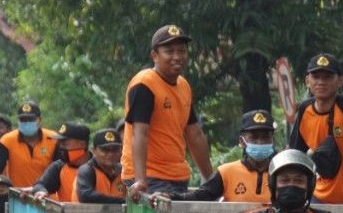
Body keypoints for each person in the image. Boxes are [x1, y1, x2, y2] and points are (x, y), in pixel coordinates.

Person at [121, 24, 213, 202]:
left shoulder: (183, 86)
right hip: (149, 179)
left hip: (177, 177)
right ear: (154, 55)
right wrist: (140, 180)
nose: (177, 57)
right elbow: (140, 134)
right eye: (169, 51)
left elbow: (195, 136)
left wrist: (211, 180)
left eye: (182, 51)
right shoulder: (145, 83)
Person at [287, 53, 343, 204]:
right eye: (316, 77)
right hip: (319, 197)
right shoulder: (305, 110)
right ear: (307, 81)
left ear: (340, 81)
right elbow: (295, 154)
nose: (321, 82)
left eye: (328, 77)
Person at [158, 109, 276, 203]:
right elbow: (201, 196)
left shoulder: (279, 173)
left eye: (265, 137)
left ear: (273, 140)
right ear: (242, 141)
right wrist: (171, 197)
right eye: (254, 138)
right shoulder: (227, 172)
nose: (260, 142)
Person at [0, 101, 58, 200]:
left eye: (30, 119)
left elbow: (59, 170)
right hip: (19, 197)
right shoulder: (8, 140)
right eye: (22, 119)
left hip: (46, 197)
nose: (26, 122)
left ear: (39, 119)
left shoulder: (53, 139)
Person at [31, 122, 91, 202]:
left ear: (82, 144)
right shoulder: (59, 166)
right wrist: (41, 191)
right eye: (60, 143)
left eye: (65, 143)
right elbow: (40, 184)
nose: (61, 147)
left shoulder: (99, 167)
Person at [74, 129, 124, 203]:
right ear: (94, 150)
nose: (111, 154)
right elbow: (86, 196)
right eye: (105, 150)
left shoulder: (123, 171)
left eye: (115, 149)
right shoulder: (87, 170)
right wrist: (122, 201)